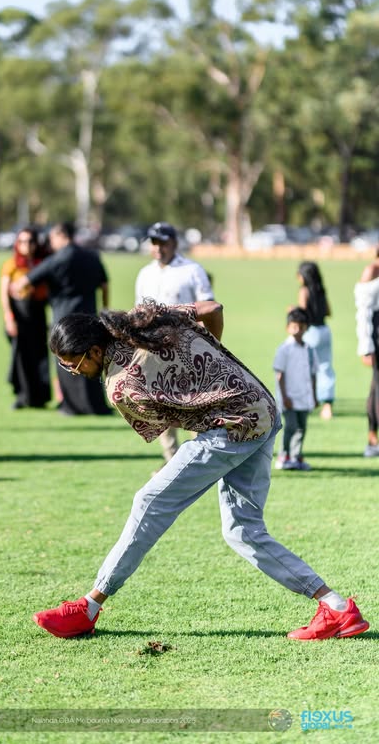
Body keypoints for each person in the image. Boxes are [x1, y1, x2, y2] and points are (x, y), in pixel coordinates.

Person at [32, 302, 369, 641]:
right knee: (242, 531)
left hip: (232, 427)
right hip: (261, 408)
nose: (74, 373)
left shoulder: (119, 387)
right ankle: (337, 607)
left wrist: (208, 391)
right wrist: (215, 363)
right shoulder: (143, 317)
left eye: (74, 365)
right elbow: (212, 308)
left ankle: (89, 607)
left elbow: (166, 421)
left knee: (149, 501)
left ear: (93, 350)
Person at [10, 221, 111, 416]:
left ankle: (71, 407)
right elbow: (104, 284)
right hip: (90, 318)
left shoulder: (57, 259)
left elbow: (23, 282)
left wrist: (22, 297)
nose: (50, 243)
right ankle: (96, 406)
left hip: (65, 320)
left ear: (60, 235)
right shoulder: (91, 256)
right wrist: (104, 308)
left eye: (52, 239)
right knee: (92, 362)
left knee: (69, 364)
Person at [135, 221, 214, 463]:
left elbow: (208, 308)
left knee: (193, 404)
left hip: (185, 349)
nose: (158, 248)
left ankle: (203, 459)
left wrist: (205, 346)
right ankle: (172, 461)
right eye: (154, 242)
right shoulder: (145, 273)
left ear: (174, 243)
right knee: (161, 407)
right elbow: (138, 313)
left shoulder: (192, 270)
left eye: (163, 243)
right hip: (154, 351)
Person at [0, 227, 51, 409]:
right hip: (19, 316)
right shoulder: (11, 264)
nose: (26, 246)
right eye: (22, 241)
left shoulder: (42, 263)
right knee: (21, 357)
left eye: (30, 241)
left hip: (37, 314)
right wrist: (9, 318)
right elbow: (4, 293)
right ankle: (23, 396)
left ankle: (41, 397)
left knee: (40, 356)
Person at [273, 308, 318, 471]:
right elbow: (280, 374)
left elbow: (313, 374)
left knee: (302, 428)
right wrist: (284, 396)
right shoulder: (284, 349)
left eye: (301, 327)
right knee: (290, 426)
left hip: (305, 398)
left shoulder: (310, 350)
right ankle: (283, 456)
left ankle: (296, 456)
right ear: (288, 328)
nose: (297, 330)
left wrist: (314, 395)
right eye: (294, 327)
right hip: (289, 397)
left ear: (306, 327)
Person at [296, 261, 335, 420]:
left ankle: (309, 401)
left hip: (311, 332)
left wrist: (293, 311)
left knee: (306, 367)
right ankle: (327, 406)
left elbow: (302, 314)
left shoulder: (304, 291)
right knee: (325, 368)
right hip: (324, 330)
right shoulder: (321, 291)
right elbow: (329, 312)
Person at [354, 246, 379, 457]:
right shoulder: (372, 270)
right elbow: (363, 311)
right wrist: (366, 346)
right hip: (376, 332)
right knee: (377, 387)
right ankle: (373, 438)